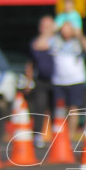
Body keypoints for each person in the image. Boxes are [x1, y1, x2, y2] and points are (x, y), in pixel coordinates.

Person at [49, 21, 86, 130]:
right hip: (59, 81)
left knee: (73, 109)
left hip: (76, 80)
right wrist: (50, 31)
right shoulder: (55, 40)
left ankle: (70, 137)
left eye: (69, 30)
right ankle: (60, 134)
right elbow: (38, 45)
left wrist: (80, 36)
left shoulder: (78, 41)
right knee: (60, 109)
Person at [25, 16, 55, 147]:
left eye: (48, 26)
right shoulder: (35, 42)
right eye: (43, 26)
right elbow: (30, 63)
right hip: (41, 79)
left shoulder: (58, 41)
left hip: (58, 79)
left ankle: (59, 135)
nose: (45, 29)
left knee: (57, 108)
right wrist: (28, 80)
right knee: (40, 105)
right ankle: (38, 134)